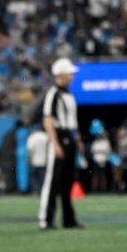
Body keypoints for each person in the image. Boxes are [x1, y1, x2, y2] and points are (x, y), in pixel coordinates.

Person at [38, 58, 82, 229]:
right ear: (61, 74)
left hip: (69, 137)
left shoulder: (69, 94)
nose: (72, 76)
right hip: (58, 136)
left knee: (67, 180)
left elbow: (72, 120)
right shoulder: (53, 93)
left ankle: (68, 219)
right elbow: (48, 119)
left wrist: (76, 139)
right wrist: (54, 142)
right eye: (69, 73)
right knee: (52, 180)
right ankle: (46, 218)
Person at [25, 126, 49, 195]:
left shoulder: (32, 137)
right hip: (44, 160)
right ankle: (43, 191)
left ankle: (36, 191)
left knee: (34, 177)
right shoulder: (46, 136)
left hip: (34, 161)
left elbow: (29, 150)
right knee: (43, 177)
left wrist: (28, 159)